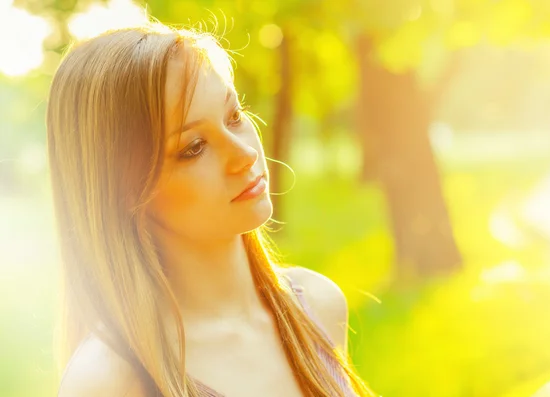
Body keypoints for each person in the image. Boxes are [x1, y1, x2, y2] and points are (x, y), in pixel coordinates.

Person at [47, 21, 376, 397]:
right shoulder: (110, 382)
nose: (246, 154)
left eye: (234, 116)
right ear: (121, 190)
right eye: (194, 147)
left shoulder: (318, 306)